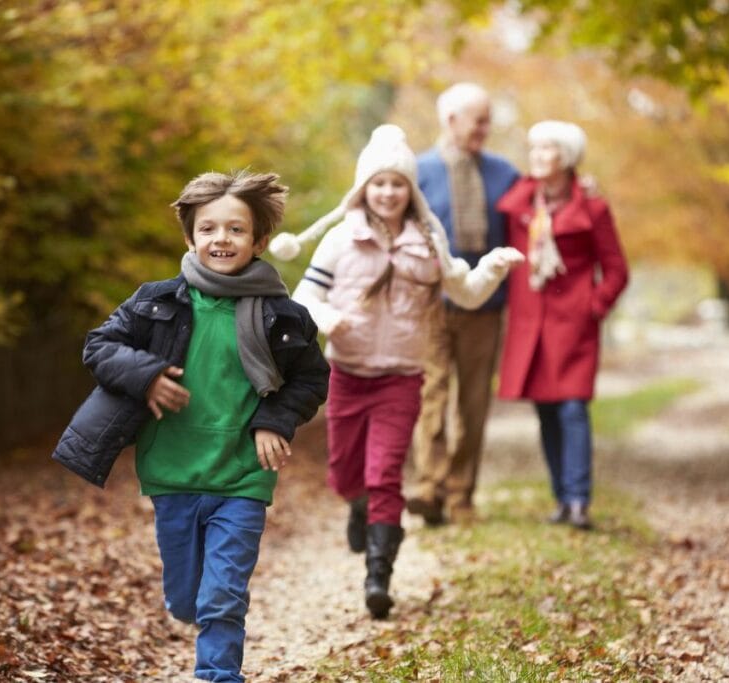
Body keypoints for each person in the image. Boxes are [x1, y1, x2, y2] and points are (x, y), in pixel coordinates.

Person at [52, 170, 330, 682]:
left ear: (260, 240)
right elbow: (99, 346)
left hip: (242, 476)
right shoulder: (156, 302)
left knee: (222, 596)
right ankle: (196, 612)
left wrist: (274, 421)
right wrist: (148, 377)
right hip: (173, 472)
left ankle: (217, 675)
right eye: (208, 229)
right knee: (189, 599)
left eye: (235, 230)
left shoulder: (283, 316)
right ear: (190, 237)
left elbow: (311, 378)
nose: (221, 239)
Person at [268, 124, 523, 618]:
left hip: (403, 377)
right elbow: (305, 297)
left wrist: (490, 266)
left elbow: (465, 292)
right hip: (347, 373)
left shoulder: (428, 241)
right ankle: (357, 504)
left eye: (398, 184)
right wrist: (325, 319)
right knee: (345, 475)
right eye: (379, 183)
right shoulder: (342, 240)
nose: (388, 193)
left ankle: (378, 578)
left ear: (411, 191)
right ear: (364, 188)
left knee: (385, 474)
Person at [496, 120, 629, 530]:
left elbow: (616, 270)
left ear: (567, 157)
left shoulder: (593, 208)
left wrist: (593, 306)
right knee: (546, 412)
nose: (536, 155)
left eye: (547, 149)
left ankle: (579, 501)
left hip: (574, 328)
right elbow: (508, 200)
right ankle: (560, 496)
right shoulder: (521, 205)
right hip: (530, 327)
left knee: (572, 409)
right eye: (534, 148)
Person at [405, 82, 521, 526]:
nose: (485, 129)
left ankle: (461, 495)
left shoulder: (504, 173)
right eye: (479, 120)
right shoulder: (418, 171)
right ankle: (429, 489)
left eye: (488, 120)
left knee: (473, 404)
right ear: (450, 120)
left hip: (485, 308)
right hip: (431, 305)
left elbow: (538, 207)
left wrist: (580, 184)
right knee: (431, 397)